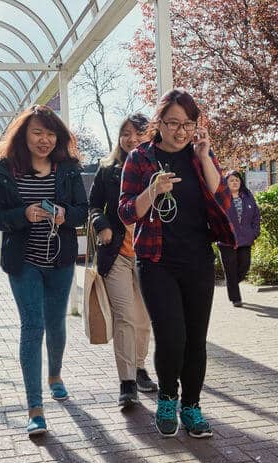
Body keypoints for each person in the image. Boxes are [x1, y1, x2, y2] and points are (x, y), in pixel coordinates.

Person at [118, 89, 235, 438]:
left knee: (195, 339)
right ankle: (168, 397)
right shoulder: (140, 159)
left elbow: (223, 197)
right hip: (157, 262)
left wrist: (204, 156)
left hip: (198, 259)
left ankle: (192, 406)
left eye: (188, 124)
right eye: (172, 123)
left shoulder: (200, 154)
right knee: (172, 337)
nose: (181, 131)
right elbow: (126, 211)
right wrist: (152, 191)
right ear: (159, 123)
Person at [0, 105, 88, 437]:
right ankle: (35, 408)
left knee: (55, 322)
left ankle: (55, 375)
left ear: (58, 137)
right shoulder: (4, 170)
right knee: (32, 326)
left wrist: (63, 214)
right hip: (24, 260)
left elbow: (82, 213)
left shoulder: (69, 169)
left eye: (50, 133)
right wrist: (23, 215)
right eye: (37, 133)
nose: (44, 140)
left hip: (59, 260)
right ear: (24, 134)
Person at [88, 113, 158, 409]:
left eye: (138, 134)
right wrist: (101, 225)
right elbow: (92, 206)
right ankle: (127, 381)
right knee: (124, 316)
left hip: (149, 253)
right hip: (116, 253)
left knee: (144, 319)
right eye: (126, 133)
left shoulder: (158, 167)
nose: (131, 139)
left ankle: (140, 368)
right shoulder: (107, 169)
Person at [218, 170, 261, 307]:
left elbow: (256, 215)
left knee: (244, 266)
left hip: (245, 239)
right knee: (230, 269)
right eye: (231, 180)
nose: (234, 182)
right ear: (226, 183)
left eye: (237, 180)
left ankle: (231, 284)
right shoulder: (220, 198)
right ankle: (235, 298)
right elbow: (215, 217)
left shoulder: (247, 196)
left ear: (240, 182)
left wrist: (254, 232)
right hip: (227, 240)